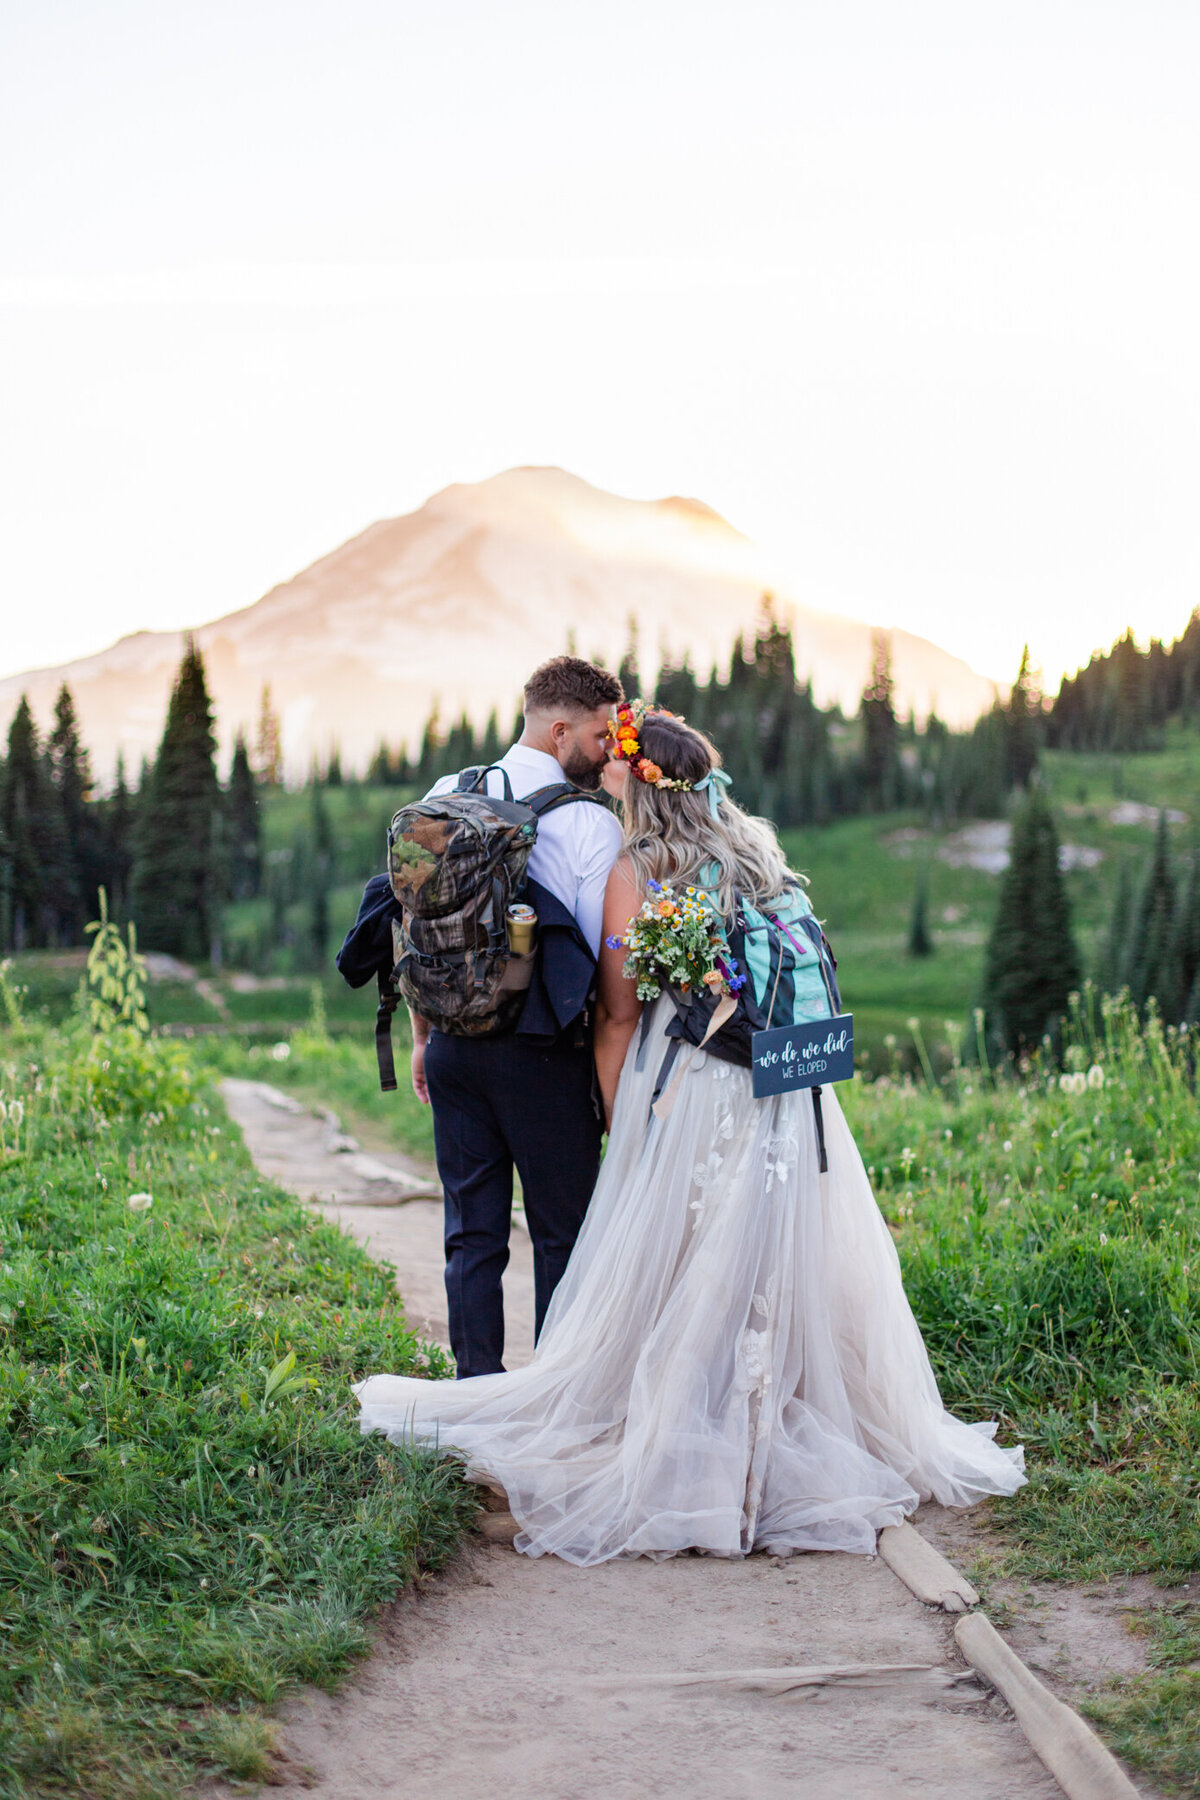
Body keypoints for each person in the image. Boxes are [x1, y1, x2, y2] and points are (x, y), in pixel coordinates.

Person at [354, 708, 1025, 1565]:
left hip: (695, 1088)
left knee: (678, 1254)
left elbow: (619, 1015)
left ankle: (686, 1426)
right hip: (781, 1091)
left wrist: (611, 1117)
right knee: (764, 1257)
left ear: (644, 784)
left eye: (622, 774)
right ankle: (764, 1417)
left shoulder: (640, 868)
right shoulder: (759, 854)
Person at [338, 656, 624, 1379]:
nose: (607, 752)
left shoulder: (445, 794)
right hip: (543, 1056)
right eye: (597, 736)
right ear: (560, 731)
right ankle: (555, 1404)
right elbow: (593, 968)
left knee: (471, 1235)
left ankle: (474, 1399)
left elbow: (417, 929)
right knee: (563, 1235)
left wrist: (422, 1041)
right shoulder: (590, 823)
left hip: (453, 1050)